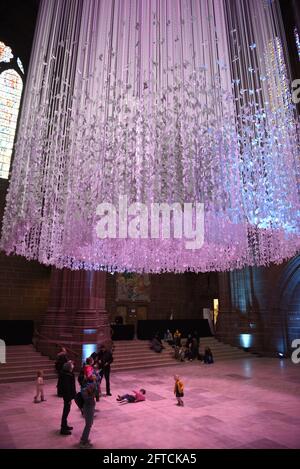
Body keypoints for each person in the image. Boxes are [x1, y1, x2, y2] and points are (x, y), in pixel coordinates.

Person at [57, 360, 76, 435]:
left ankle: (65, 425)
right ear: (69, 368)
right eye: (72, 366)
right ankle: (63, 428)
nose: (73, 366)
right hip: (67, 397)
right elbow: (67, 388)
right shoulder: (66, 376)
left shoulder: (67, 374)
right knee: (66, 411)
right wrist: (68, 399)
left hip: (67, 396)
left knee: (66, 410)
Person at [80, 376, 97, 448]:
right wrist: (92, 393)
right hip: (88, 407)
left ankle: (84, 438)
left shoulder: (87, 388)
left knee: (90, 423)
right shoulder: (86, 390)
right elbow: (88, 398)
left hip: (90, 406)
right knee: (88, 424)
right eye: (93, 381)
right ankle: (83, 442)